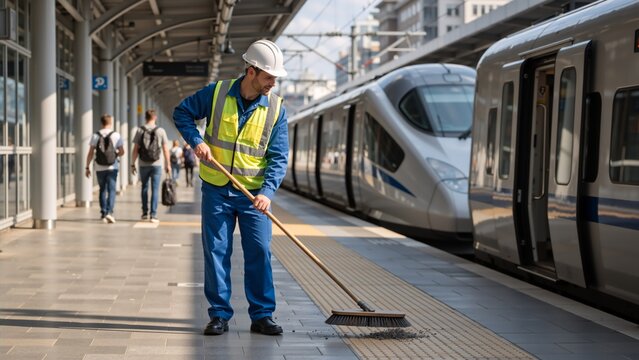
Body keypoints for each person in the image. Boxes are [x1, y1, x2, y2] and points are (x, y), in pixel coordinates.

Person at [173, 39, 289, 336]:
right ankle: (219, 314)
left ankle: (262, 314)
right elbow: (182, 113)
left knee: (260, 252)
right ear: (250, 71)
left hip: (254, 195)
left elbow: (278, 156)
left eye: (275, 78)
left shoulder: (276, 109)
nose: (272, 83)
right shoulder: (217, 92)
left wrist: (267, 192)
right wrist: (196, 140)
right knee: (215, 251)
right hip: (216, 188)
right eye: (268, 77)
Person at [131, 109, 171, 223]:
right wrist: (168, 164)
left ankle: (144, 213)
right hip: (156, 164)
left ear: (145, 117)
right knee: (155, 189)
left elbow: (135, 149)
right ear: (155, 117)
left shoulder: (140, 130)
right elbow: (165, 149)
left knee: (144, 187)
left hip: (143, 163)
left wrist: (132, 164)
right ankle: (153, 215)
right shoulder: (161, 131)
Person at [85, 114, 124, 223]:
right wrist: (115, 153)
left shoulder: (95, 135)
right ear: (110, 122)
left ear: (102, 123)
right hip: (113, 167)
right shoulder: (116, 135)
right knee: (111, 190)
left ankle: (103, 212)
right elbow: (122, 152)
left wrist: (87, 167)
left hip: (99, 167)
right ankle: (109, 213)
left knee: (102, 189)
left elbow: (90, 153)